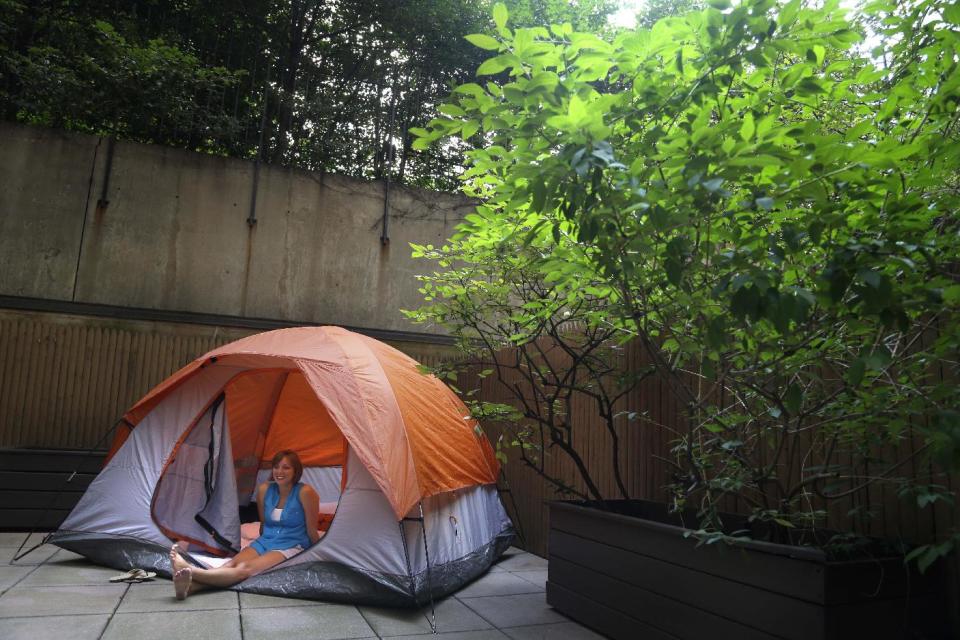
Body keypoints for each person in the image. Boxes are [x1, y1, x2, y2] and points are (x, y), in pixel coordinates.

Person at [169, 449, 320, 600]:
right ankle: (192, 587)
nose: (279, 471)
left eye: (286, 467)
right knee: (231, 564)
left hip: (291, 544)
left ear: (296, 471)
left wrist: (319, 555)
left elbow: (312, 530)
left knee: (245, 569)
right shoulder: (265, 490)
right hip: (266, 540)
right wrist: (259, 547)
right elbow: (263, 525)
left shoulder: (306, 492)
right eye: (276, 467)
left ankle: (192, 571)